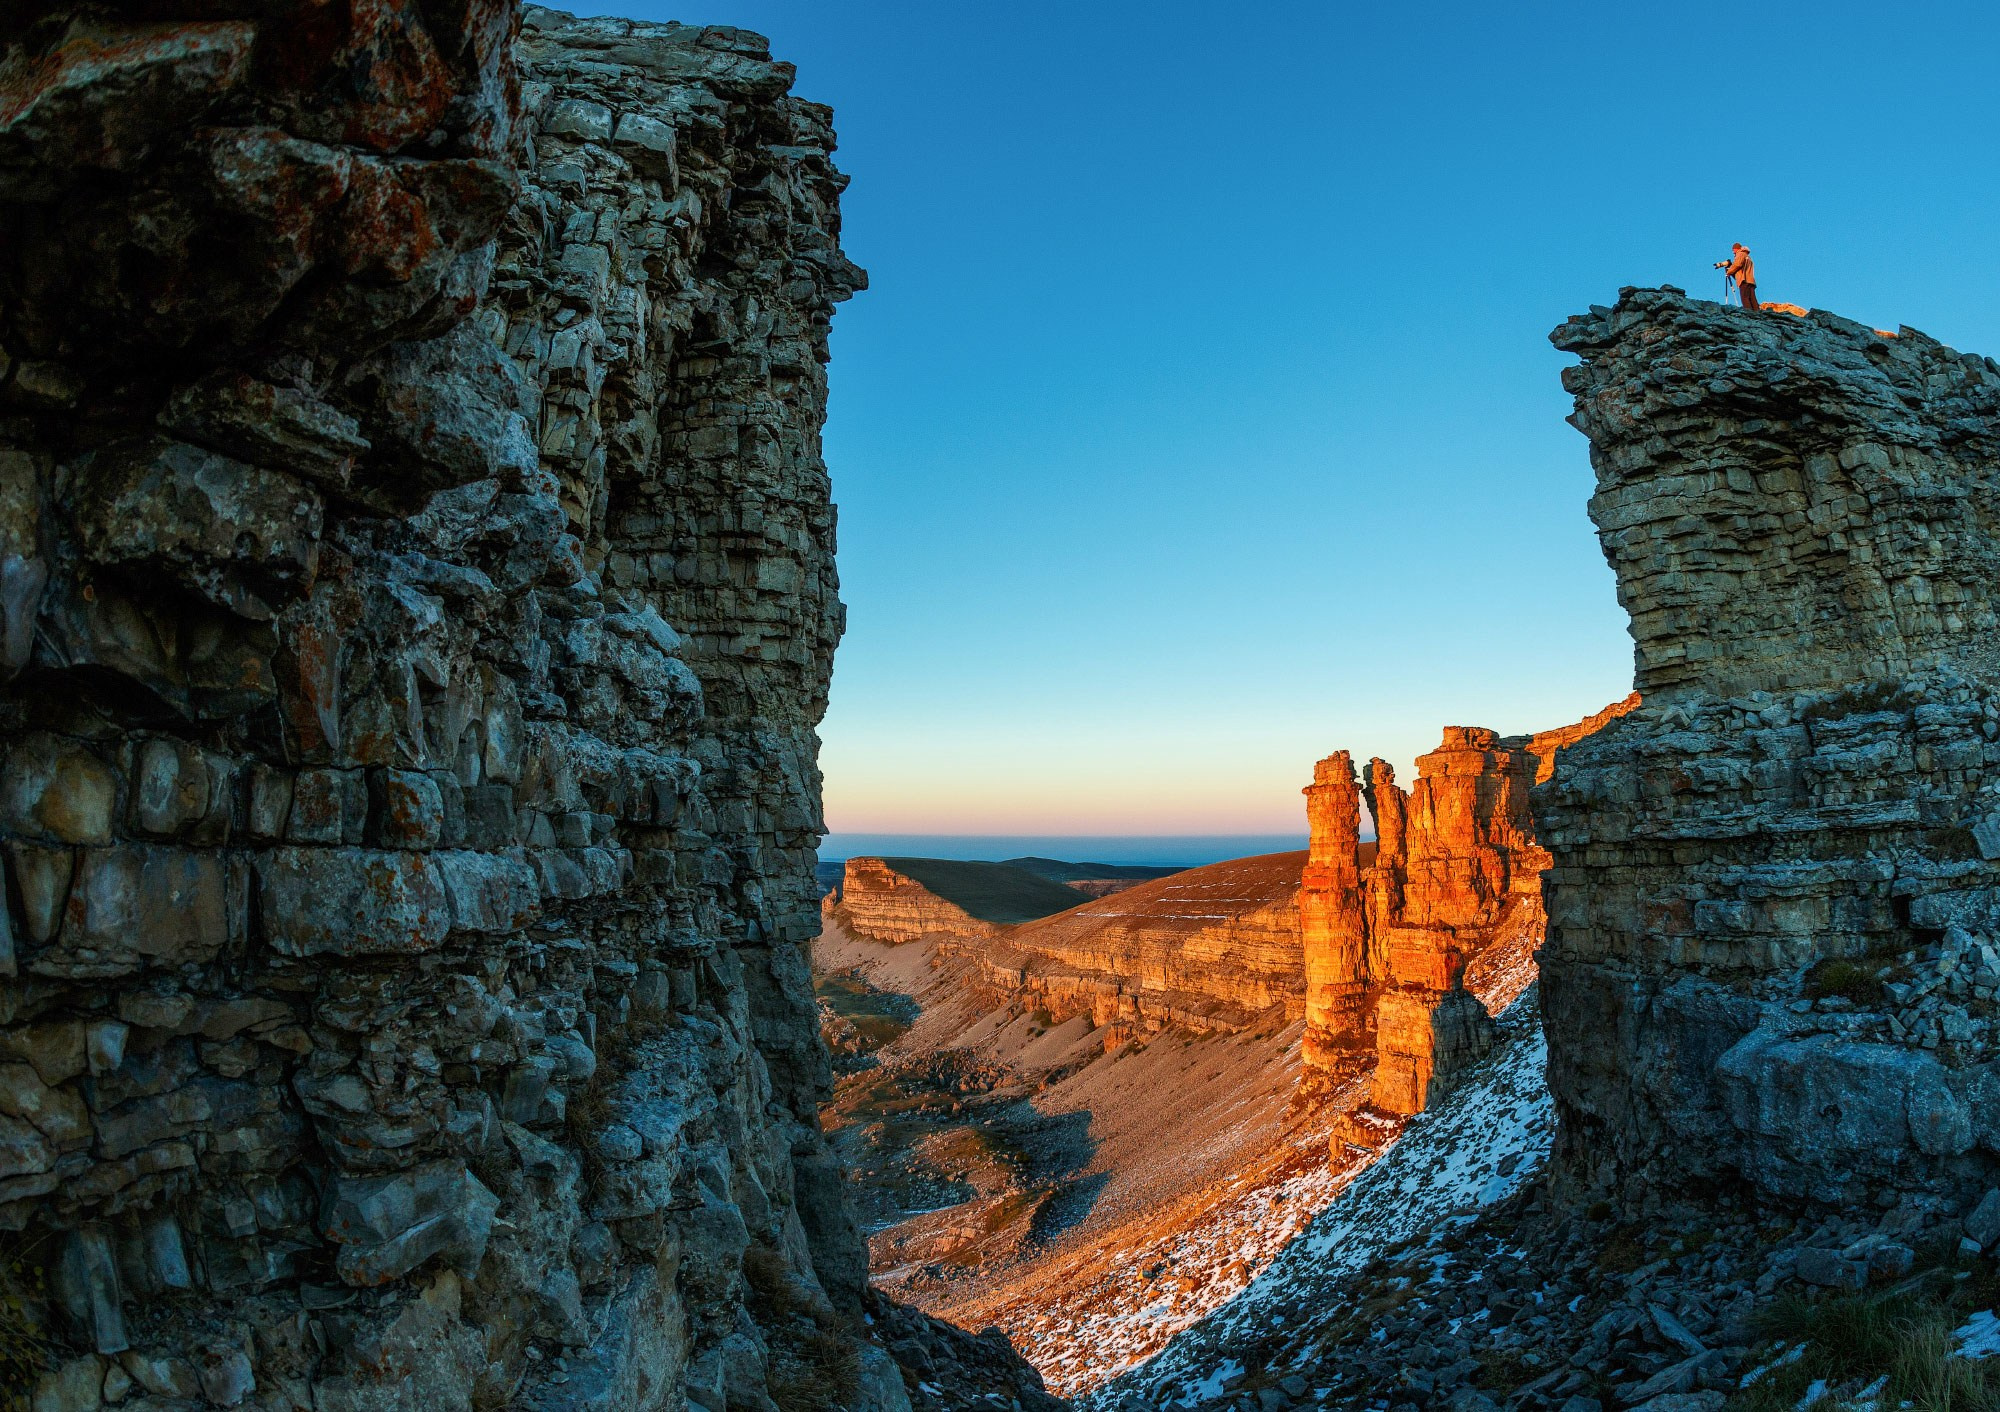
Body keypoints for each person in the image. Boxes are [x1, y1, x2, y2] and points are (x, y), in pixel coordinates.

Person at [1715, 243, 1758, 310]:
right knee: (1752, 298)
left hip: (1744, 280)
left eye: (1733, 250)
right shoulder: (1748, 256)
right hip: (1750, 280)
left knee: (1745, 298)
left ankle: (1749, 313)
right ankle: (1757, 312)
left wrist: (1729, 272)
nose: (1733, 252)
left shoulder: (1740, 254)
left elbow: (1737, 264)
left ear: (1736, 249)